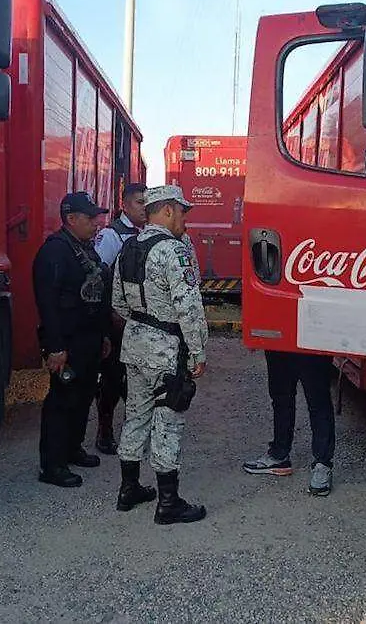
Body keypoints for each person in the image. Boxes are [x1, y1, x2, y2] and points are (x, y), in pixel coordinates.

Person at [112, 185, 208, 525]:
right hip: (166, 349)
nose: (184, 219)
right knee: (168, 420)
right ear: (166, 211)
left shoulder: (128, 248)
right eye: (181, 212)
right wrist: (197, 351)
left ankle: (129, 488)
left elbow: (118, 303)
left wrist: (142, 322)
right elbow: (189, 306)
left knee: (136, 413)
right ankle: (168, 502)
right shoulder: (173, 251)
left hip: (134, 345)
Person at [33, 191, 113, 487]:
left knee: (83, 396)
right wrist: (55, 347)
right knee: (62, 400)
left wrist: (103, 334)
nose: (97, 223)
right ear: (71, 219)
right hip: (67, 342)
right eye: (91, 218)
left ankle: (72, 448)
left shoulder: (85, 248)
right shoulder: (55, 251)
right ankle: (52, 465)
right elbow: (47, 304)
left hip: (90, 338)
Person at [92, 181, 147, 454]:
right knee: (112, 379)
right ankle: (105, 432)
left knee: (137, 379)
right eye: (139, 202)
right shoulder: (112, 235)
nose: (144, 208)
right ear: (124, 204)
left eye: (146, 203)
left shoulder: (148, 233)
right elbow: (99, 278)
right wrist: (109, 316)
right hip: (117, 322)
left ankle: (134, 431)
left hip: (140, 322)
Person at [242, 351, 337, 496]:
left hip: (313, 339)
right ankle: (279, 455)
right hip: (280, 341)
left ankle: (323, 464)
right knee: (281, 397)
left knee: (319, 401)